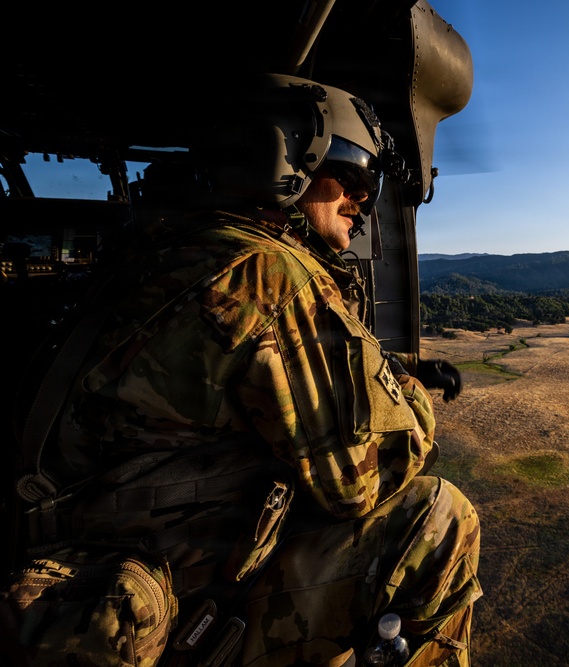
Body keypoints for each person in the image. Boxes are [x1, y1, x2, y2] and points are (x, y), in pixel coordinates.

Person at [5, 74, 480, 666]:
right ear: (285, 165)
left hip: (86, 557)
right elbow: (357, 482)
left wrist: (389, 367)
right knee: (437, 518)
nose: (361, 201)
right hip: (178, 600)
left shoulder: (170, 251)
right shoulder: (269, 275)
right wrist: (411, 396)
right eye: (352, 177)